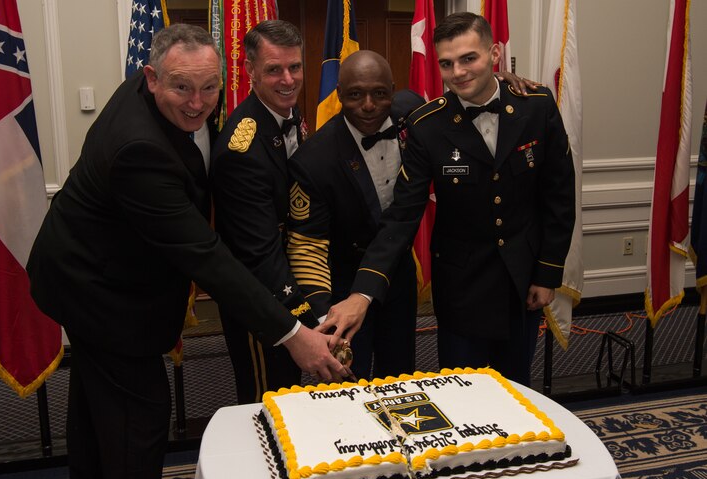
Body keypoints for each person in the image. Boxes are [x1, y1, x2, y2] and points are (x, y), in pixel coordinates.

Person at [26, 24, 348, 479]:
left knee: (97, 419)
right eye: (182, 87)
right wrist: (293, 335)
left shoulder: (163, 95)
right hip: (102, 293)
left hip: (95, 271)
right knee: (138, 423)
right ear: (152, 77)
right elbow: (207, 258)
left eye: (209, 87)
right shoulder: (139, 150)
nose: (198, 103)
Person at [319, 12, 575, 387]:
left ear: (495, 54)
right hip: (461, 286)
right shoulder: (427, 125)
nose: (458, 72)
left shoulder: (536, 106)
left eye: (469, 58)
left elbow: (559, 195)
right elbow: (403, 215)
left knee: (516, 386)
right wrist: (363, 291)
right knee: (461, 390)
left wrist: (547, 272)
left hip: (522, 282)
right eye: (446, 63)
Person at [286, 50, 422, 381]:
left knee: (400, 375)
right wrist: (325, 321)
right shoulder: (314, 159)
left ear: (393, 91)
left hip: (397, 272)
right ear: (339, 94)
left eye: (379, 93)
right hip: (343, 283)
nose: (368, 105)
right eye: (355, 95)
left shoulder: (413, 113)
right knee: (348, 382)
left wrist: (502, 80)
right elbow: (307, 247)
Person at [211, 20, 320, 403]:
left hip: (286, 277)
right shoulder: (241, 148)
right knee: (266, 400)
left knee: (292, 396)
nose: (288, 80)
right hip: (258, 298)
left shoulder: (289, 115)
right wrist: (307, 318)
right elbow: (258, 253)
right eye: (274, 69)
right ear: (250, 71)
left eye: (295, 67)